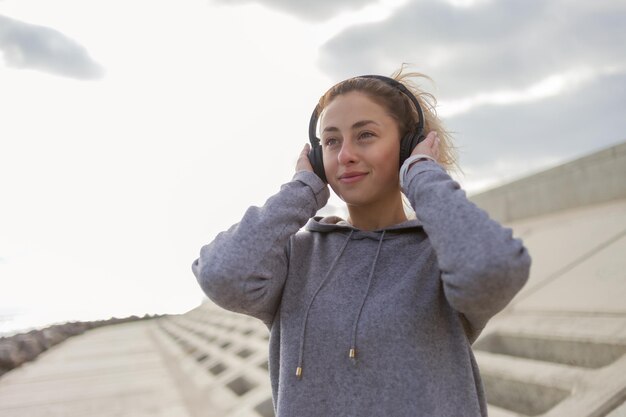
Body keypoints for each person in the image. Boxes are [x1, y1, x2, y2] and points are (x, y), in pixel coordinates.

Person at [192, 68, 531, 417]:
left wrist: (422, 174)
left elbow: (495, 269)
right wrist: (302, 189)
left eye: (365, 135)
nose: (345, 155)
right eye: (332, 141)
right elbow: (221, 274)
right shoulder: (296, 258)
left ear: (406, 146)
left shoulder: (441, 255)